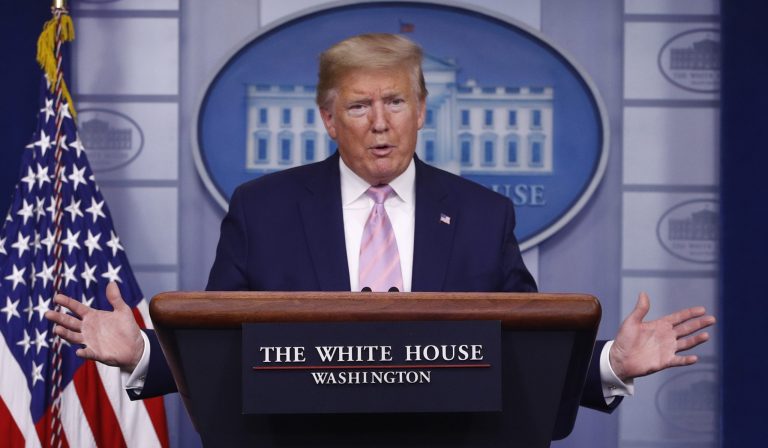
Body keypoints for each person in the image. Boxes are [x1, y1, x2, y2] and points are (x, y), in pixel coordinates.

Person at [46, 33, 714, 412]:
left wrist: (611, 364)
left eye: (396, 101)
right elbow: (220, 350)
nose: (380, 123)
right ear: (327, 118)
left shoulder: (482, 215)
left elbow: (525, 354)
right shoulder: (263, 210)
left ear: (422, 111)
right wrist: (140, 352)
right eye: (359, 106)